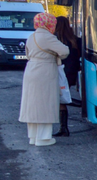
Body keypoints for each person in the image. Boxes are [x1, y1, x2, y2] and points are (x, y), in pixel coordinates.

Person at [19, 12, 69, 146]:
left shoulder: (31, 36)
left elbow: (28, 54)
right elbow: (65, 51)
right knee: (45, 103)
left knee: (32, 104)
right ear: (49, 23)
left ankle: (33, 137)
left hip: (31, 69)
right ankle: (43, 138)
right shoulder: (48, 37)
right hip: (45, 71)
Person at [53, 16, 80, 137]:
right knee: (62, 97)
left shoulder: (56, 39)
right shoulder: (75, 39)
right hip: (71, 72)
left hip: (59, 71)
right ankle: (64, 128)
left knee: (59, 99)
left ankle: (63, 128)